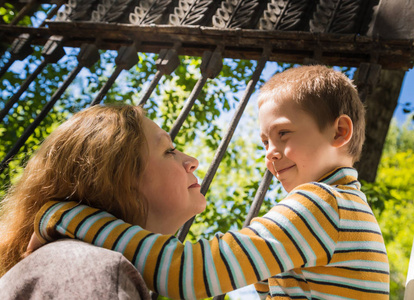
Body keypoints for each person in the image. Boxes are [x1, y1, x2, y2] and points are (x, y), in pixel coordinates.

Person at [29, 65, 390, 299]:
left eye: (283, 134)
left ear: (340, 132)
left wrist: (65, 217)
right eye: (265, 142)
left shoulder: (322, 205)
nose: (271, 153)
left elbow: (190, 270)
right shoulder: (338, 209)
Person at [0, 104, 206, 298]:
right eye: (168, 151)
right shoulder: (87, 266)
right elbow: (191, 267)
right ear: (117, 178)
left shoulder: (65, 262)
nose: (192, 162)